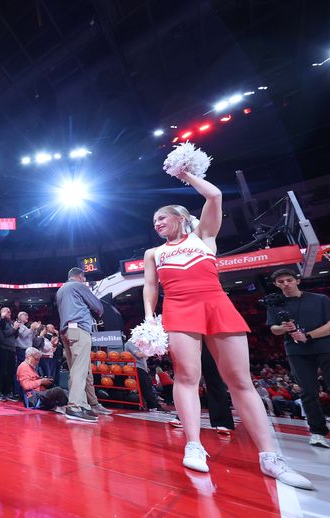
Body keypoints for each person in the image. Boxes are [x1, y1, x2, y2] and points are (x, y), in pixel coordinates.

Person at [142, 169, 312, 488]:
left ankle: (270, 457)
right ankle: (194, 445)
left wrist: (187, 174)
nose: (157, 223)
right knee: (187, 376)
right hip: (178, 308)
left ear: (180, 217)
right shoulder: (154, 253)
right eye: (154, 221)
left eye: (162, 217)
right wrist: (150, 316)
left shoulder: (204, 237)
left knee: (240, 381)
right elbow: (150, 287)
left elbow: (215, 196)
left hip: (216, 304)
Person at [266, 268, 330, 448]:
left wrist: (308, 336)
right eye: (281, 282)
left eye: (289, 280)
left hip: (325, 347)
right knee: (308, 392)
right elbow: (273, 329)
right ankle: (317, 432)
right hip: (296, 351)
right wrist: (284, 328)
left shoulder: (320, 300)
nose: (286, 284)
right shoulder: (275, 304)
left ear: (297, 281)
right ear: (276, 285)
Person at [56, 267, 111, 422]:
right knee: (80, 370)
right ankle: (74, 406)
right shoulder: (79, 286)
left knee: (80, 369)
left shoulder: (61, 290)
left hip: (66, 331)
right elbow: (98, 307)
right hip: (79, 329)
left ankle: (85, 405)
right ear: (80, 276)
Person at [16, 347, 68, 413]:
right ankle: (64, 407)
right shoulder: (23, 367)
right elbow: (26, 385)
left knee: (65, 392)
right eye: (36, 359)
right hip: (32, 398)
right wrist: (41, 381)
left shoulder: (31, 367)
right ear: (28, 357)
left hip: (39, 394)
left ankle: (66, 406)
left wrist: (44, 381)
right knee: (58, 391)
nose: (37, 362)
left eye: (38, 360)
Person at [123, 338, 160, 411]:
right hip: (135, 367)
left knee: (147, 386)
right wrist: (151, 350)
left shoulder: (139, 344)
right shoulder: (131, 343)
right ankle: (153, 406)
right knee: (146, 387)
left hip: (141, 367)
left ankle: (152, 405)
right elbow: (138, 355)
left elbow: (144, 358)